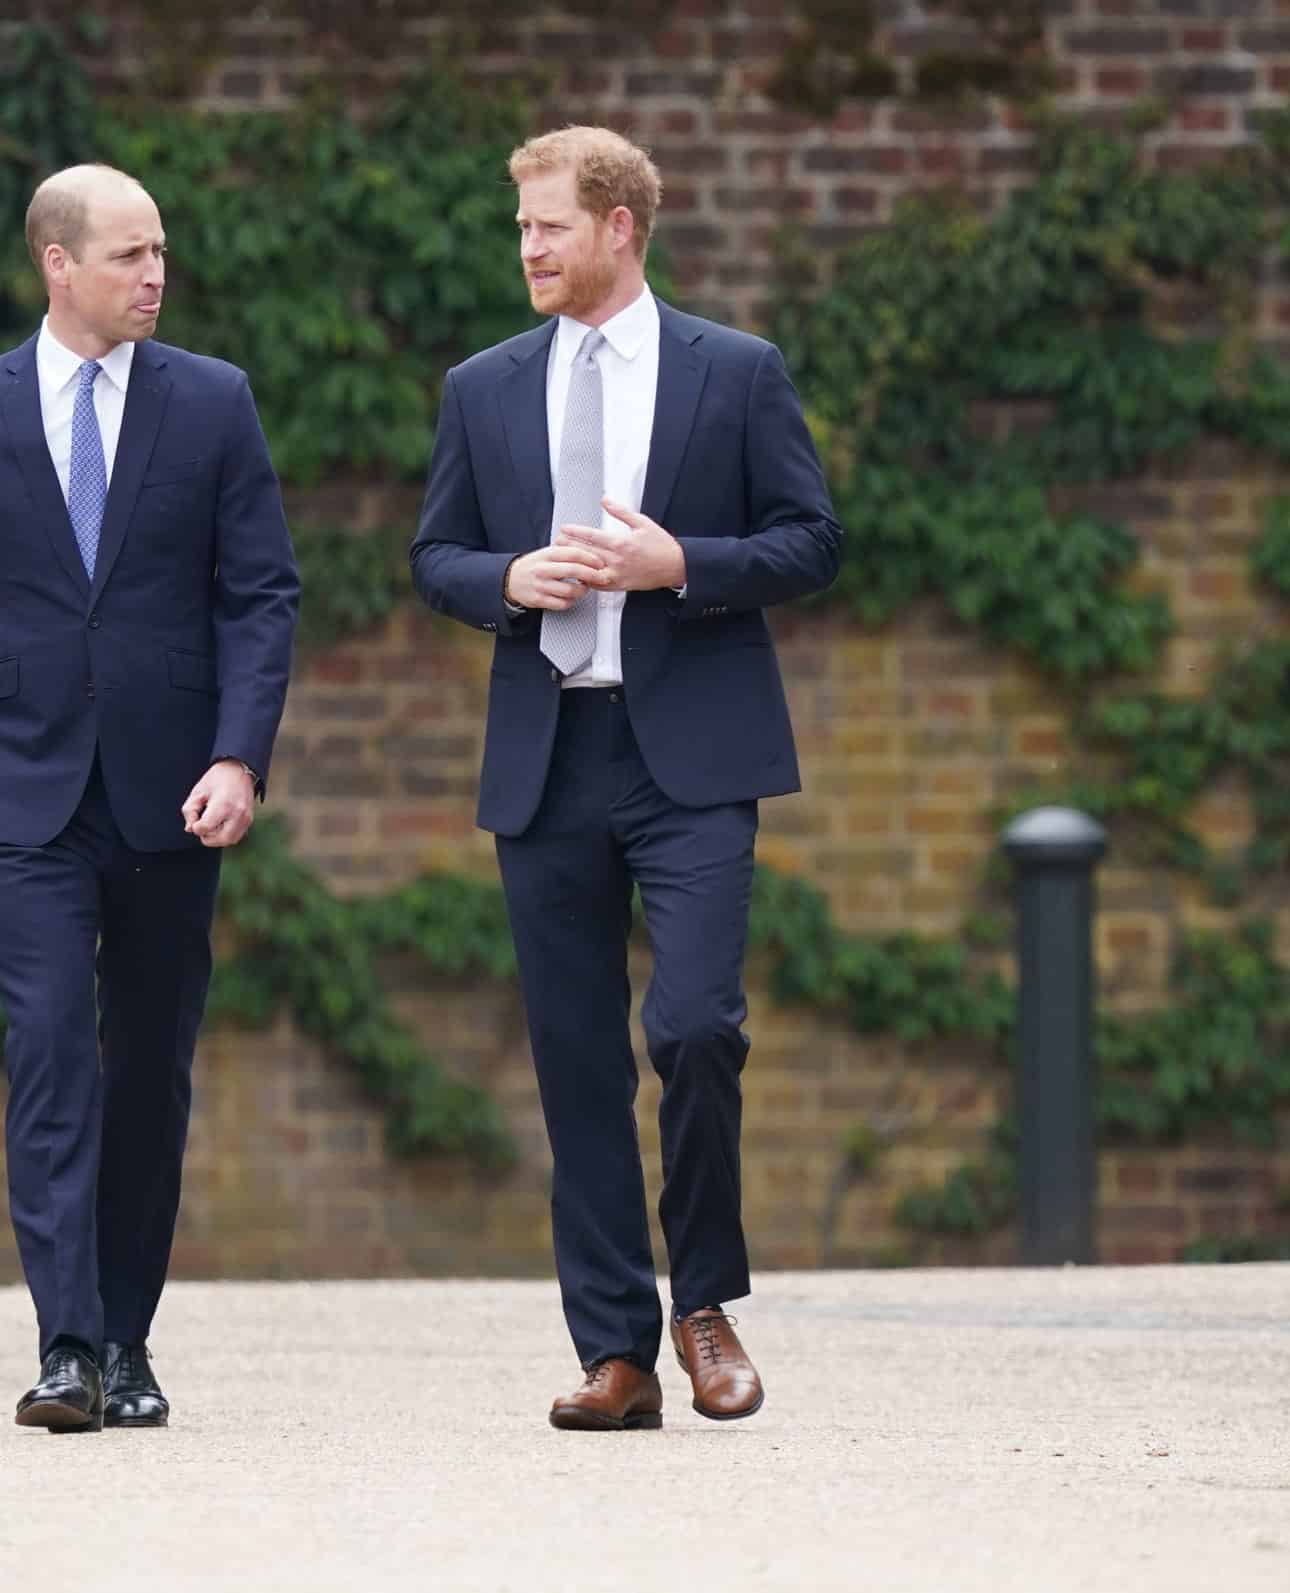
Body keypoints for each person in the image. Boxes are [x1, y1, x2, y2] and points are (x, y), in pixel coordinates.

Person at [410, 127, 841, 1430]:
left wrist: (680, 567)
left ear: (618, 228)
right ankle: (616, 1353)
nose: (527, 247)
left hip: (693, 757)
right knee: (576, 1059)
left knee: (695, 1025)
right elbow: (434, 552)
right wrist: (502, 583)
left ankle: (702, 1302)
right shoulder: (480, 386)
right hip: (548, 760)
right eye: (522, 226)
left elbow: (812, 539)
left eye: (547, 225)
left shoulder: (734, 371)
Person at [0, 163, 299, 1433]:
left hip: (172, 794)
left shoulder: (214, 402)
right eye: (128, 255)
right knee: (52, 1048)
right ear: (56, 264)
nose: (155, 275)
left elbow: (261, 595)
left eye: (161, 251)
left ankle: (129, 1341)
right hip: (16, 793)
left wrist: (239, 756)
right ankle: (63, 1346)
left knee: (149, 1071)